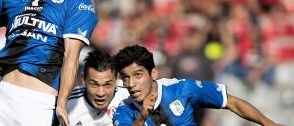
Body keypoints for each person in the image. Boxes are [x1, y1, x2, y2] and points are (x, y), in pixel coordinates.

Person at [112, 44, 285, 126]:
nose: (131, 84)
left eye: (137, 75)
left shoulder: (182, 89)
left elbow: (231, 102)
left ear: (154, 73)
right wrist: (141, 117)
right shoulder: (123, 111)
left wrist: (268, 124)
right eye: (126, 77)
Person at [66, 49, 129, 126]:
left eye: (107, 85)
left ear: (116, 80)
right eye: (94, 84)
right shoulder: (67, 104)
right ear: (84, 79)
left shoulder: (129, 96)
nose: (100, 93)